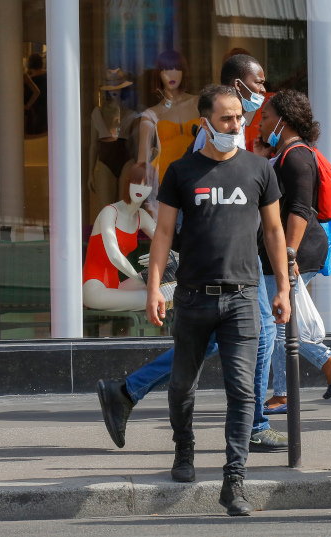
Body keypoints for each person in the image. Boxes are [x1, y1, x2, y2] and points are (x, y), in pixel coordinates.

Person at [96, 54, 287, 454]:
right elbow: (176, 220)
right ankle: (246, 425)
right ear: (236, 88)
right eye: (256, 84)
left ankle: (128, 391)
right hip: (209, 263)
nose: (261, 93)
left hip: (237, 266)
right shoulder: (208, 142)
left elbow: (268, 224)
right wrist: (156, 282)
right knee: (224, 347)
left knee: (237, 343)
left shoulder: (240, 141)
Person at [146, 84, 290, 516]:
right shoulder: (181, 171)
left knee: (244, 391)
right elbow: (165, 233)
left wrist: (282, 287)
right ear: (206, 122)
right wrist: (155, 287)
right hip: (192, 297)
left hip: (245, 297)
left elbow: (274, 232)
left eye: (240, 118)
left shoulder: (259, 169)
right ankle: (184, 449)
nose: (236, 125)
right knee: (181, 385)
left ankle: (234, 480)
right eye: (226, 119)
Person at [257, 89, 331, 413]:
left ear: (283, 120)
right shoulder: (286, 154)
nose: (260, 122)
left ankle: (302, 381)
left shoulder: (296, 157)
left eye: (266, 116)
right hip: (285, 251)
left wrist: (289, 254)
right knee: (281, 318)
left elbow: (299, 208)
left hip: (294, 250)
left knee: (279, 319)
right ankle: (317, 372)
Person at [82, 163, 156, 311]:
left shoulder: (141, 216)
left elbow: (165, 242)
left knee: (168, 290)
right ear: (128, 183)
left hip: (117, 286)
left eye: (146, 184)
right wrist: (139, 279)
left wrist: (173, 256)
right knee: (150, 298)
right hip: (94, 288)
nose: (140, 188)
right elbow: (114, 255)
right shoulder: (110, 212)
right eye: (136, 182)